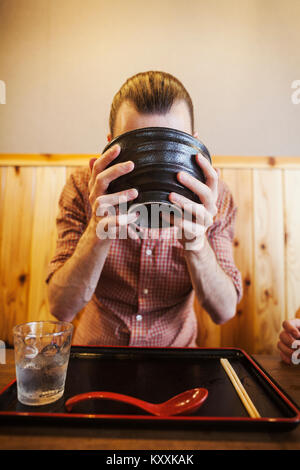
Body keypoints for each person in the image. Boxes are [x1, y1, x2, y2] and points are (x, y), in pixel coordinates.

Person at [46, 71, 242, 346]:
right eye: (138, 147)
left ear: (193, 144)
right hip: (98, 353)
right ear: (111, 145)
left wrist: (197, 243)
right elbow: (61, 307)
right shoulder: (82, 187)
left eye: (170, 145)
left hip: (176, 357)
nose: (153, 163)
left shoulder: (214, 196)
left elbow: (224, 311)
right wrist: (97, 231)